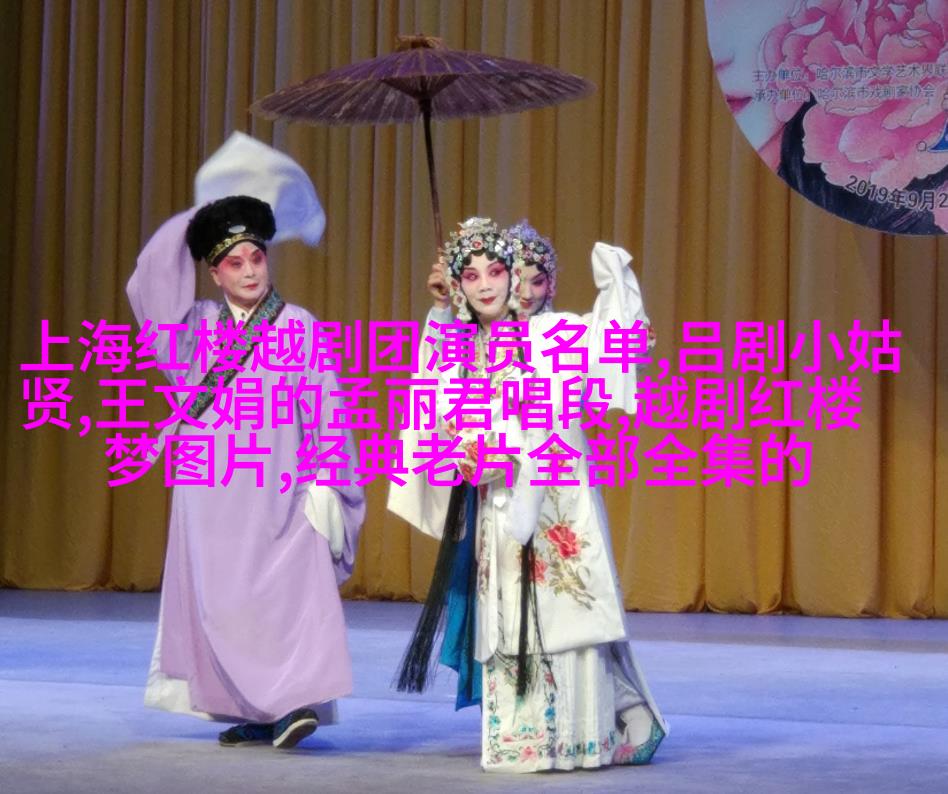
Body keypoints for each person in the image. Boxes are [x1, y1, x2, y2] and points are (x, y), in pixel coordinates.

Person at [389, 217, 666, 773]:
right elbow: (432, 411)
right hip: (498, 501)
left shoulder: (552, 332)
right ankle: (524, 737)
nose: (486, 285)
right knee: (510, 614)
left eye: (496, 271)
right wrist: (464, 452)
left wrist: (622, 306)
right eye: (470, 276)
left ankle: (591, 731)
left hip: (558, 490)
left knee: (572, 610)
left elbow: (614, 347)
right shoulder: (459, 344)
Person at [127, 137, 365, 749]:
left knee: (288, 594)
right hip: (211, 490)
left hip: (283, 485)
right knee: (224, 602)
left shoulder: (298, 325)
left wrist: (330, 483)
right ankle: (252, 709)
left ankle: (291, 704)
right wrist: (198, 216)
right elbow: (149, 283)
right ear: (214, 273)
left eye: (257, 256)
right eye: (234, 263)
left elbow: (328, 411)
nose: (251, 270)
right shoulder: (193, 330)